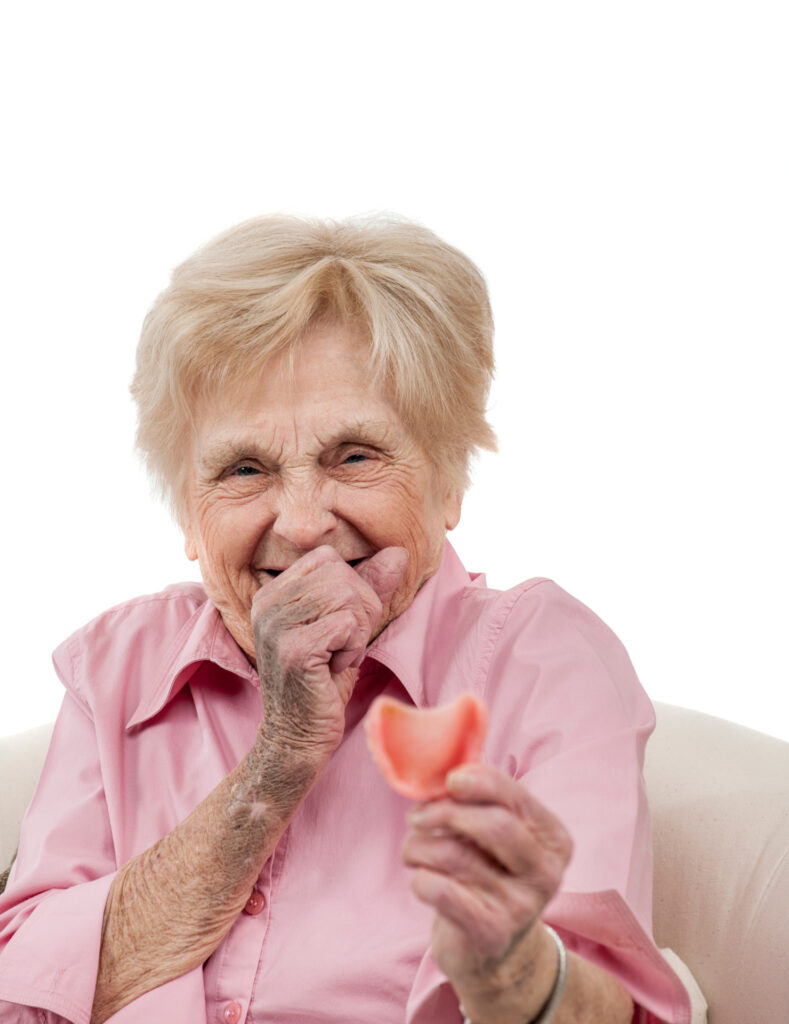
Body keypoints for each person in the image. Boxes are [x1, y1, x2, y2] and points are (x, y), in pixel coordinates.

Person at [0, 216, 702, 1023]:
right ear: (189, 518)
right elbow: (26, 994)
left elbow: (607, 1007)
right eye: (244, 468)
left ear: (446, 486)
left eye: (354, 456)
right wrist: (279, 759)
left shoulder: (542, 660)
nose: (301, 523)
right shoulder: (114, 669)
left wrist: (509, 971)